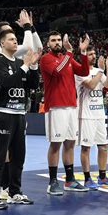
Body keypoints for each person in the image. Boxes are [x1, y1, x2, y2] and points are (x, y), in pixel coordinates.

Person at [0, 30, 41, 209]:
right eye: (11, 39)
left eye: (16, 39)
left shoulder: (19, 62)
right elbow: (7, 82)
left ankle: (15, 192)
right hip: (2, 113)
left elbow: (32, 85)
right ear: (2, 43)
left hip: (19, 114)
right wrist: (25, 66)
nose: (15, 42)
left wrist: (32, 67)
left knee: (19, 157)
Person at [41, 31, 90, 195]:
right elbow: (57, 72)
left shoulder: (66, 59)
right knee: (55, 144)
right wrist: (69, 53)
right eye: (53, 40)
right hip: (55, 107)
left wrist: (82, 52)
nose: (57, 43)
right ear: (48, 44)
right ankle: (52, 182)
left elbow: (83, 72)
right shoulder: (46, 59)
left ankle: (69, 180)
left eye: (58, 40)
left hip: (71, 106)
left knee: (70, 143)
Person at [75, 45, 108, 189]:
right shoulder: (80, 71)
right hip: (85, 115)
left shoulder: (99, 71)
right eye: (90, 54)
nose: (93, 56)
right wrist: (101, 70)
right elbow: (92, 85)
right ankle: (87, 178)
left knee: (104, 146)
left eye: (94, 53)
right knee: (86, 148)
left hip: (99, 114)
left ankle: (102, 176)